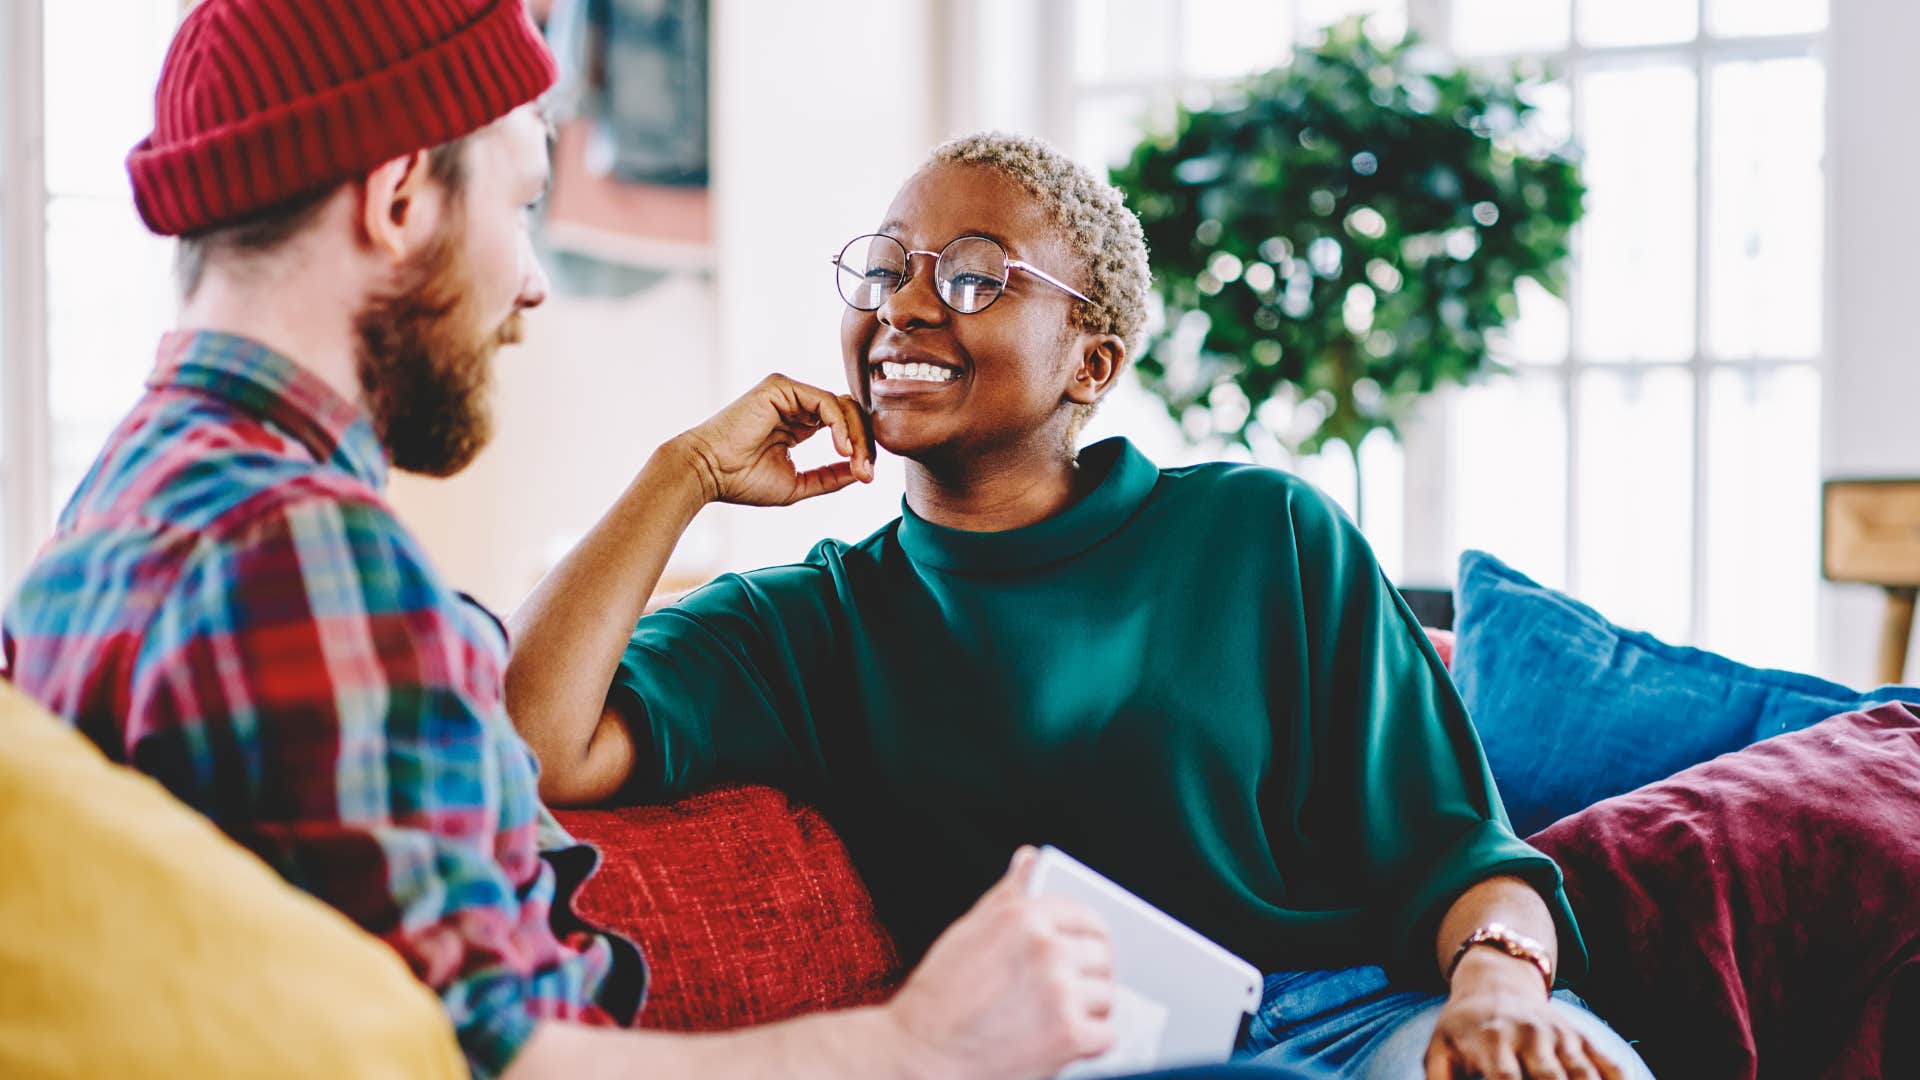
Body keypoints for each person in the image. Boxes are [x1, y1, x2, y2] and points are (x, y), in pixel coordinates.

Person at [0, 4, 1301, 1079]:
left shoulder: (113, 514)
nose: (532, 280)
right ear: (400, 197)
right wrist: (913, 1045)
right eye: (522, 202)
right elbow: (495, 1056)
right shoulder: (309, 555)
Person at [504, 132, 1657, 1079]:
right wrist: (684, 473)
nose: (905, 306)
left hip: (1366, 1023)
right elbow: (532, 742)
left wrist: (1502, 989)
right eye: (887, 269)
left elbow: (1462, 851)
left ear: (1089, 364)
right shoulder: (808, 625)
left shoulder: (1265, 536)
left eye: (971, 276)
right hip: (1101, 1063)